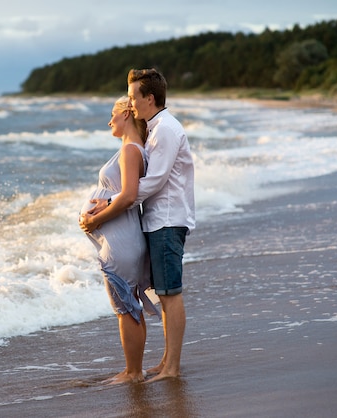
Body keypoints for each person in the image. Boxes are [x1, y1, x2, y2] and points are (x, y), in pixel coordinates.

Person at [82, 68, 195, 383]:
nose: (130, 104)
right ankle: (165, 361)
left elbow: (153, 181)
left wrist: (109, 203)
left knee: (170, 294)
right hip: (157, 220)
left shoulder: (167, 130)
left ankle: (171, 367)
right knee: (164, 292)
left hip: (168, 220)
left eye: (133, 97)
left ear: (150, 98)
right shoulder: (155, 131)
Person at [79, 96, 160, 385]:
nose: (109, 121)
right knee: (130, 307)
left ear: (127, 113)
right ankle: (135, 369)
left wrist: (94, 219)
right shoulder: (134, 150)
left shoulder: (129, 151)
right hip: (126, 240)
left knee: (125, 309)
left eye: (112, 115)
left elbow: (127, 196)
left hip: (122, 244)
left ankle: (133, 372)